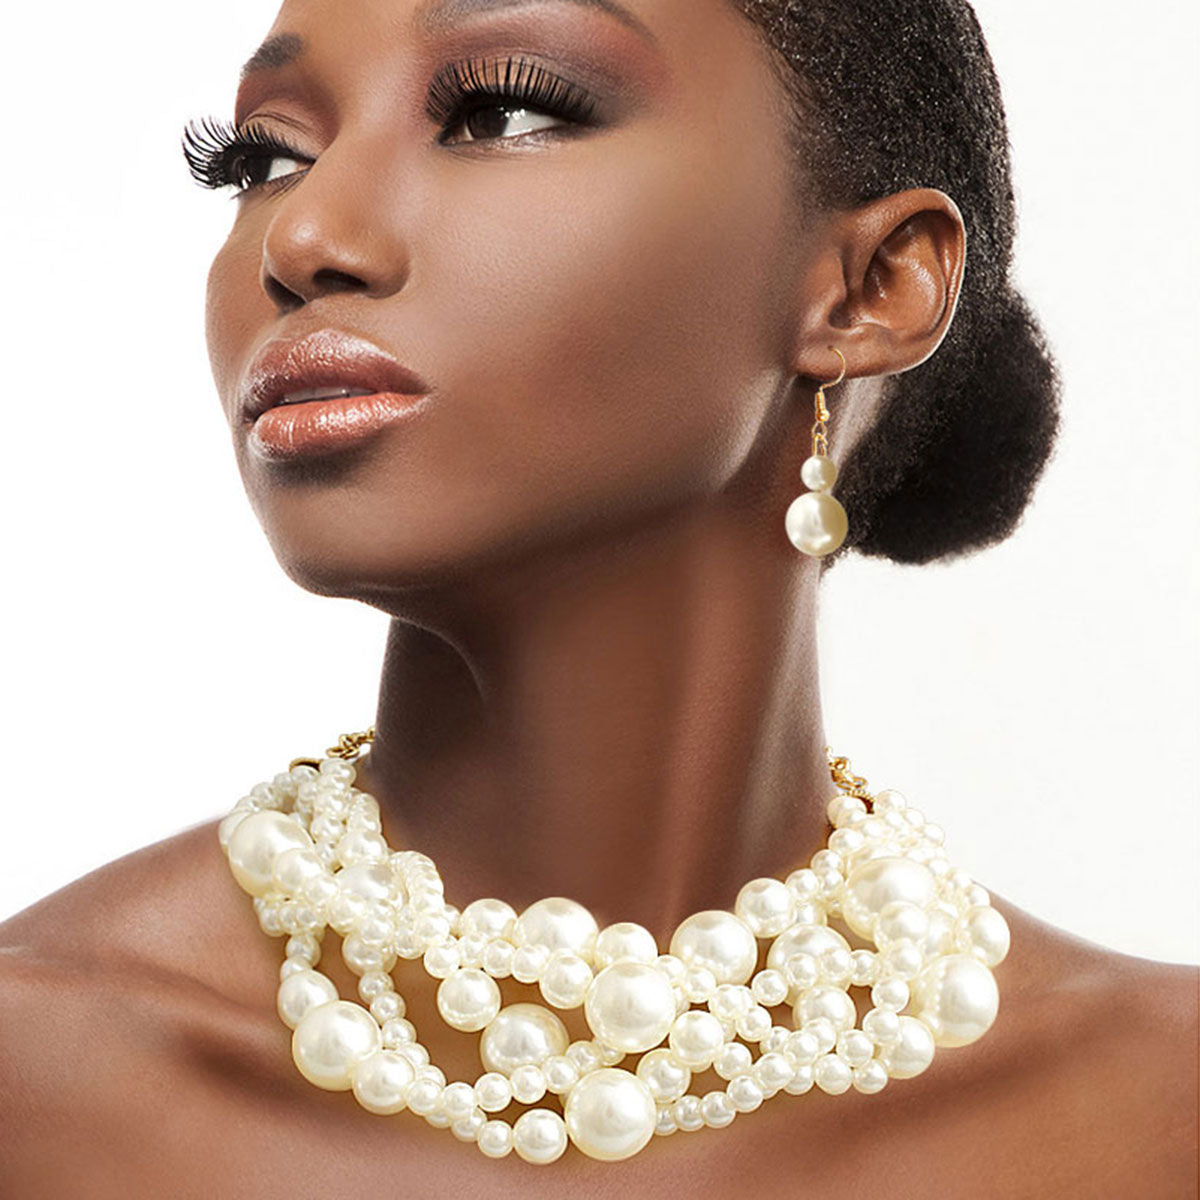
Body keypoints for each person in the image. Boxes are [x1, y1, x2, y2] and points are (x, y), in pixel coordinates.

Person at [1, 0, 1195, 1193]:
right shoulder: (39, 1079)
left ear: (868, 288)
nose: (305, 235)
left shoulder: (1163, 1110)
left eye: (503, 111)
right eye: (264, 159)